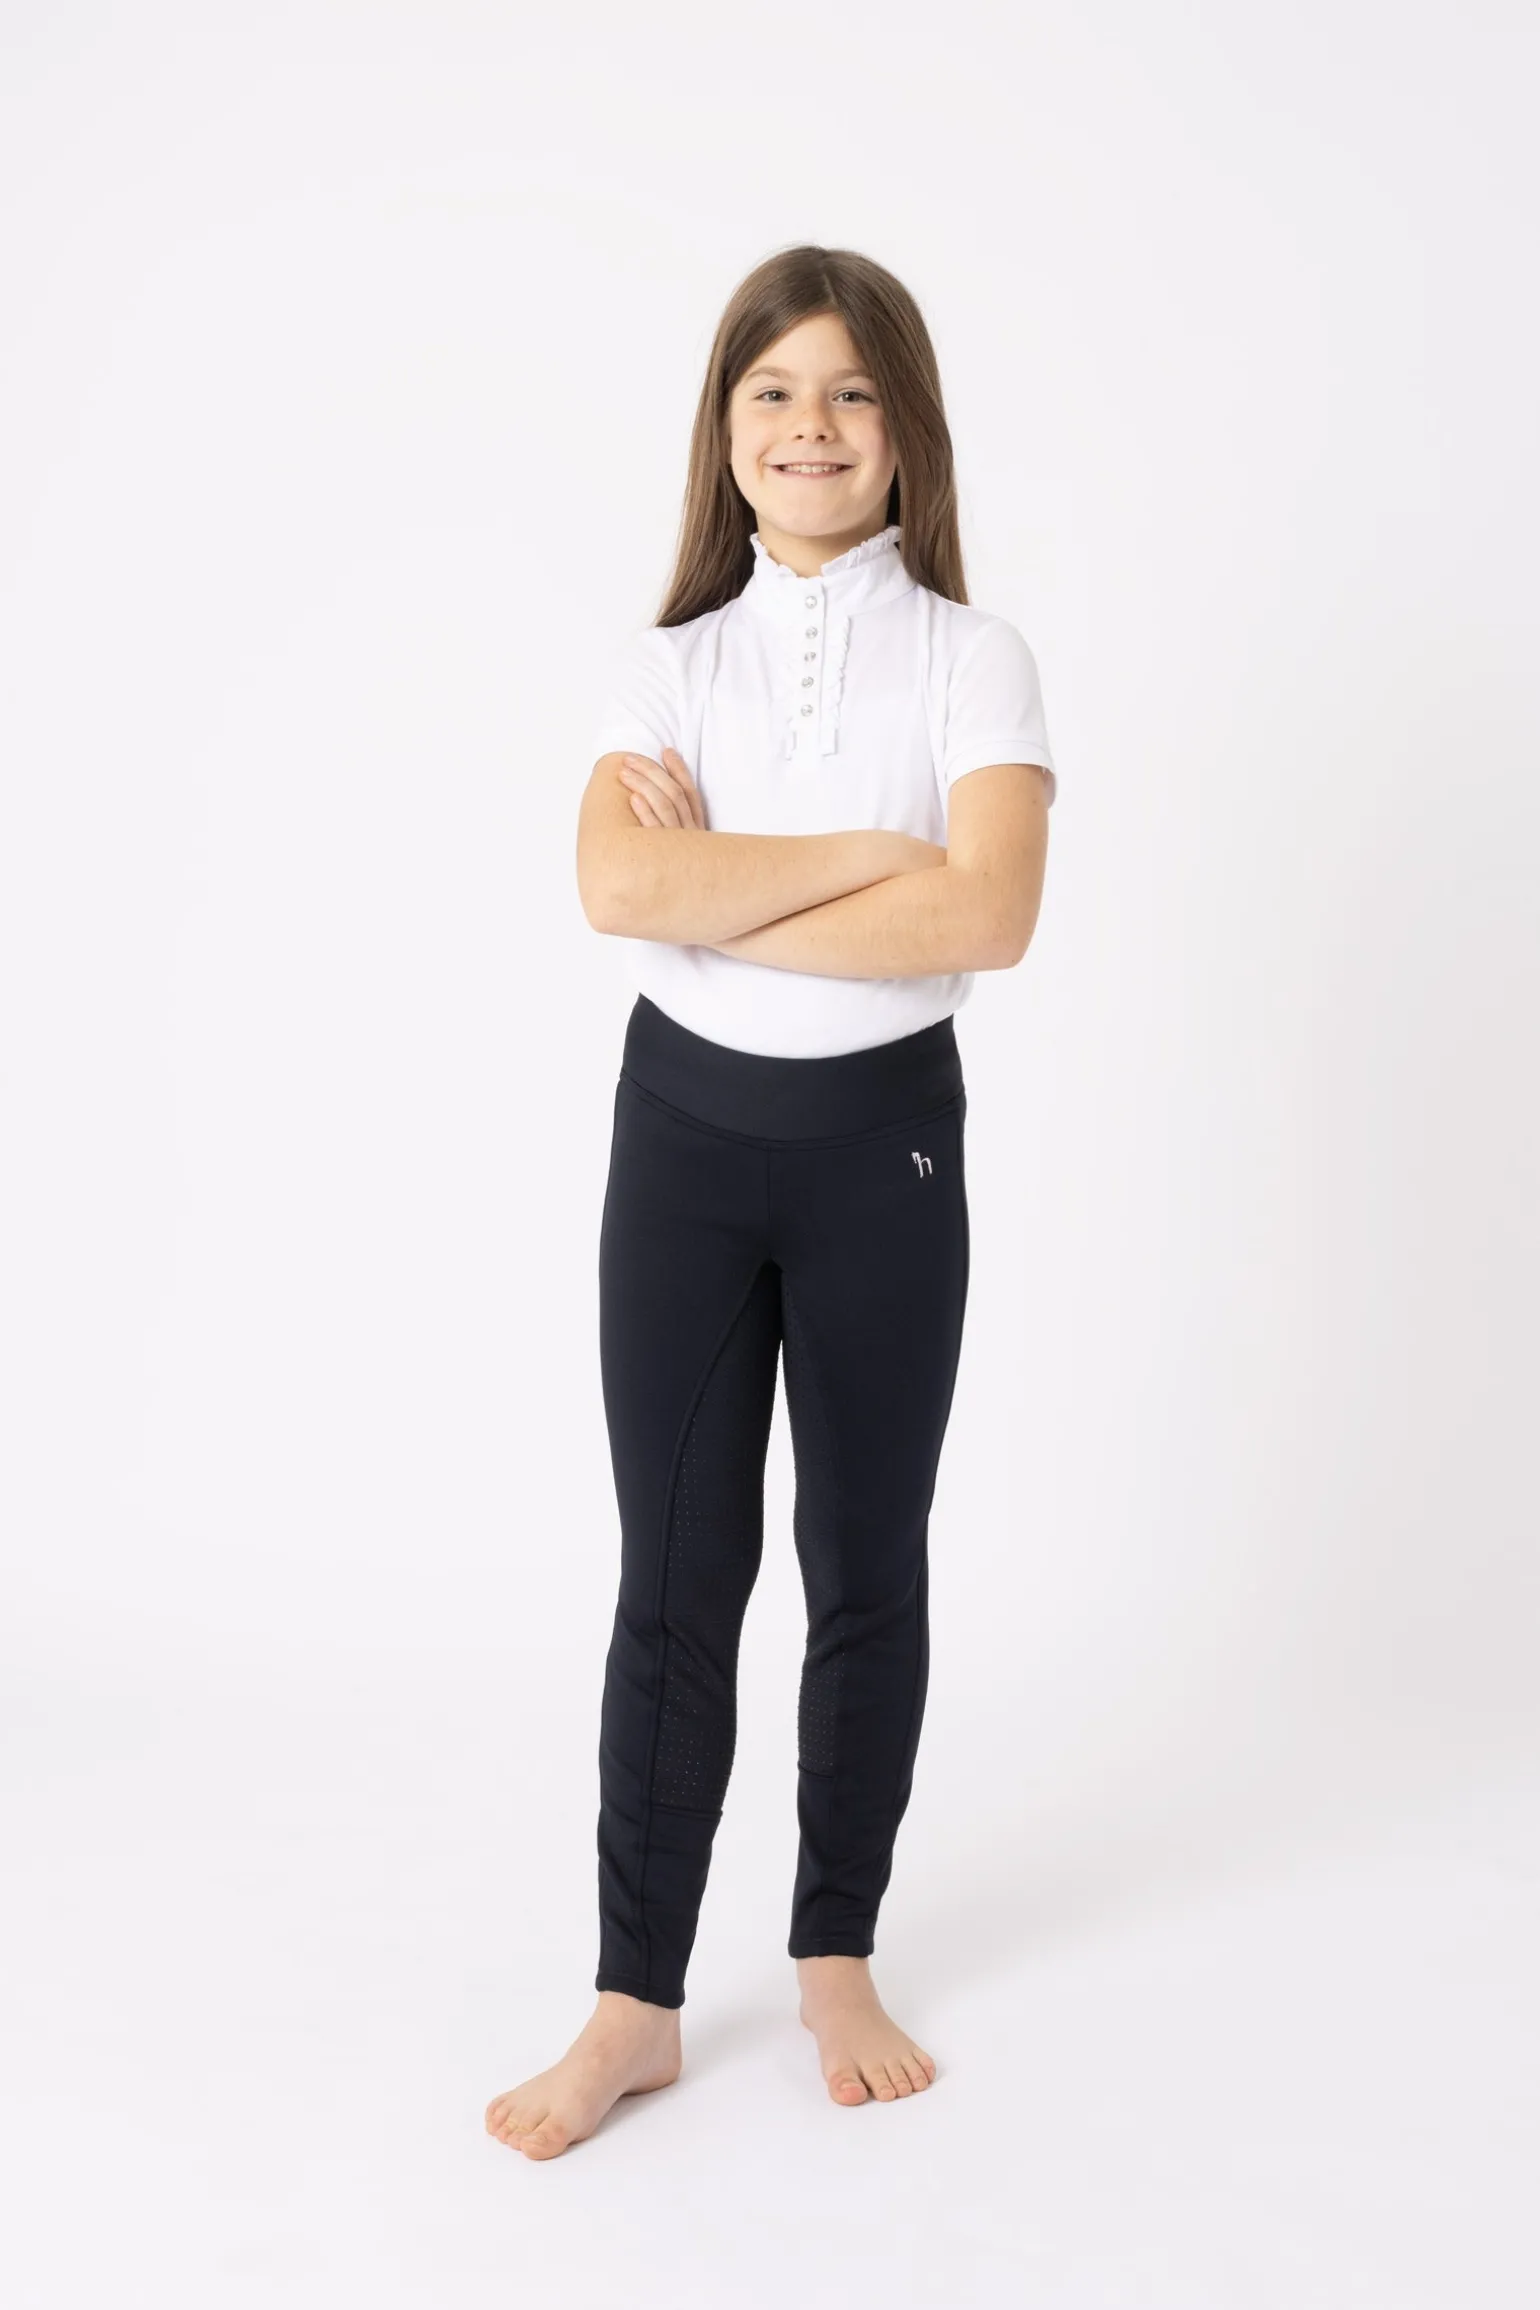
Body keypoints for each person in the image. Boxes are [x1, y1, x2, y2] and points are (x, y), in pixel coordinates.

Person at [486, 245, 1056, 2160]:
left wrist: (727, 880)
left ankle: (835, 1953)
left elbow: (991, 912)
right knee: (676, 1576)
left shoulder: (975, 657)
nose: (811, 427)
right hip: (685, 1151)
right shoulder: (668, 666)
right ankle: (634, 2003)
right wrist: (874, 858)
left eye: (851, 391)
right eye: (773, 392)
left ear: (907, 429)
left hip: (883, 1152)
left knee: (862, 1561)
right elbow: (618, 893)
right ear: (723, 431)